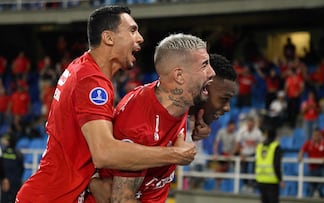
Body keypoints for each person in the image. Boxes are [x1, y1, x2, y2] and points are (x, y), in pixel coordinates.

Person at [16, 6, 196, 203]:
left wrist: (92, 179)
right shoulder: (91, 81)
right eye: (132, 30)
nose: (140, 38)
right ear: (108, 38)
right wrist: (173, 154)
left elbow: (74, 140)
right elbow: (104, 153)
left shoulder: (83, 68)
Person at [89, 53, 237, 201]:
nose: (227, 108)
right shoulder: (143, 121)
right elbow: (121, 199)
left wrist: (199, 118)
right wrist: (175, 154)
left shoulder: (179, 108)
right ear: (203, 87)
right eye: (224, 99)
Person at [298, 128, 324, 198]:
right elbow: (301, 151)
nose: (316, 137)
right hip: (312, 168)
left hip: (323, 167)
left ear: (321, 135)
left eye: (317, 135)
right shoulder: (308, 143)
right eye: (314, 135)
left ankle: (317, 191)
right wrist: (300, 156)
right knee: (311, 183)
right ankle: (316, 194)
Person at [234, 116, 263, 192]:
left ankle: (253, 185)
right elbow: (238, 143)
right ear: (247, 124)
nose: (250, 126)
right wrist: (241, 154)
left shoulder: (258, 132)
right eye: (249, 124)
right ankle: (245, 184)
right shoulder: (241, 131)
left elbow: (261, 144)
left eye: (252, 124)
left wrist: (257, 151)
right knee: (244, 169)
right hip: (244, 153)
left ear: (254, 124)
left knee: (254, 169)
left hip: (254, 153)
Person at [255, 129, 284, 203]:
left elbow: (255, 162)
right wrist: (280, 179)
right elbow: (276, 165)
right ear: (275, 136)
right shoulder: (276, 147)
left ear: (266, 135)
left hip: (260, 179)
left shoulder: (259, 146)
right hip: (272, 181)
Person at [1, 133, 24, 203]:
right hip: (14, 181)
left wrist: (3, 178)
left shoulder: (3, 153)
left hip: (7, 181)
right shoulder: (18, 154)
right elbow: (21, 168)